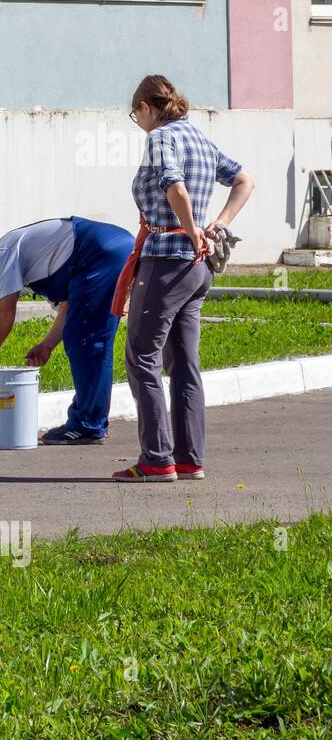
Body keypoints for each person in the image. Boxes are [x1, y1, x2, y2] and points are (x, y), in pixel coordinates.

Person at [111, 75, 254, 482]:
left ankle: (156, 459)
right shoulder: (199, 138)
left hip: (165, 262)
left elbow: (174, 184)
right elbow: (246, 179)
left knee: (141, 358)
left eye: (135, 114)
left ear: (146, 107)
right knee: (185, 364)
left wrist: (192, 228)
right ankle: (190, 459)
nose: (137, 122)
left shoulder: (160, 139)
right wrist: (217, 226)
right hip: (197, 269)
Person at [0, 217, 134, 445]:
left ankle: (88, 425)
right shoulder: (32, 267)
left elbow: (4, 311)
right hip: (108, 248)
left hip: (98, 250)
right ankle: (91, 421)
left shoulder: (2, 252)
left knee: (87, 339)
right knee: (84, 334)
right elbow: (68, 305)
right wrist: (47, 344)